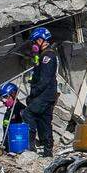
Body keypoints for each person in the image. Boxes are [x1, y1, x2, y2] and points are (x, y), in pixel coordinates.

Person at [23, 27, 59, 157]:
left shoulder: (48, 57)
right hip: (46, 94)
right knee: (44, 120)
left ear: (41, 40)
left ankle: (31, 146)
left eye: (34, 42)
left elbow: (44, 80)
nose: (33, 45)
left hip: (45, 94)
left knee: (28, 114)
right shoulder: (43, 56)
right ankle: (47, 150)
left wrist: (33, 94)